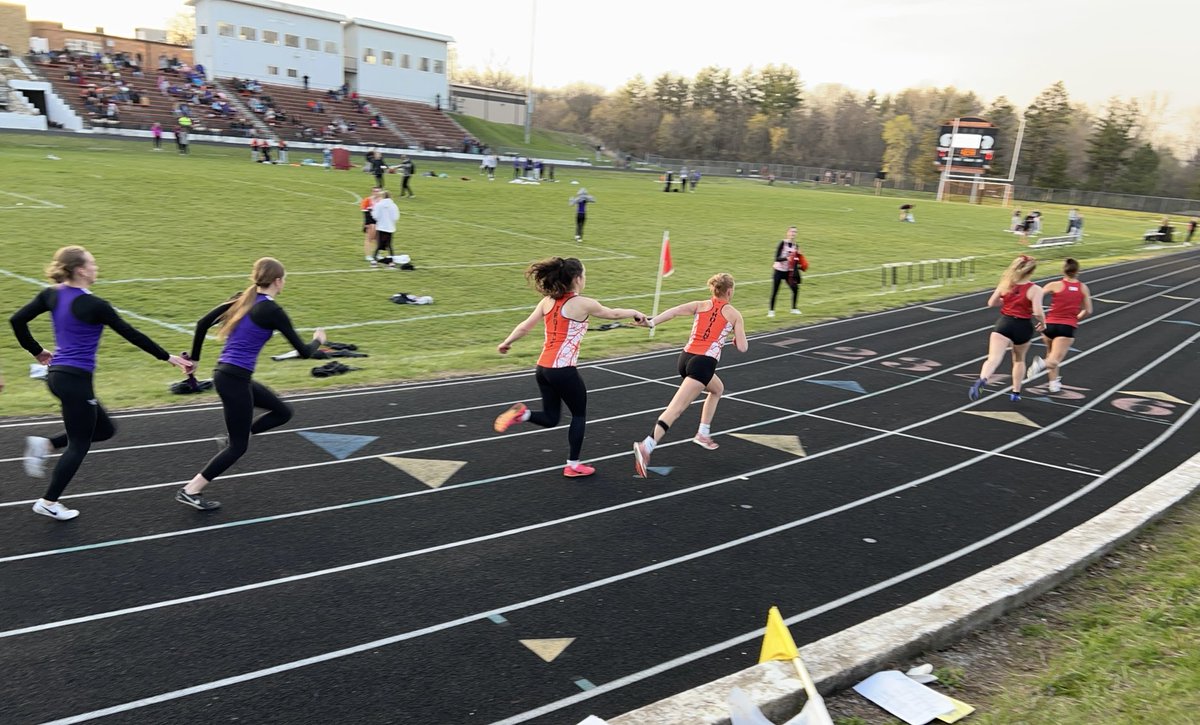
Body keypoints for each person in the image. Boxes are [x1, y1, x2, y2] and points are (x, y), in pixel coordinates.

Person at [10, 246, 191, 520]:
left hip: (58, 376)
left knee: (104, 428)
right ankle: (48, 502)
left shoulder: (51, 294)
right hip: (74, 380)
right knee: (79, 443)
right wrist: (167, 357)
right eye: (92, 264)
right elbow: (131, 333)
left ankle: (45, 445)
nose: (96, 268)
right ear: (81, 270)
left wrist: (37, 351)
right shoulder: (95, 305)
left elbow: (17, 320)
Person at [177, 258, 325, 510]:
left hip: (230, 375)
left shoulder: (242, 298)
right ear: (278, 281)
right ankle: (191, 490)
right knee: (238, 448)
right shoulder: (272, 310)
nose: (284, 283)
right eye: (284, 279)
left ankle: (234, 436)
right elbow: (303, 351)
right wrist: (317, 340)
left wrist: (196, 359)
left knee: (282, 412)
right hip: (234, 379)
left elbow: (202, 323)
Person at [492, 257, 646, 478]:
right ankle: (573, 465)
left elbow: (525, 326)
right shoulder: (582, 303)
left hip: (543, 369)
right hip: (563, 370)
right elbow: (611, 313)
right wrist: (635, 312)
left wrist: (506, 342)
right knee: (579, 415)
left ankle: (523, 414)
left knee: (551, 418)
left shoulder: (547, 301)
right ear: (576, 278)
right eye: (584, 275)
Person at [631, 273, 748, 477]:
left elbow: (675, 311)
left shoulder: (699, 305)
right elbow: (743, 347)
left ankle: (703, 433)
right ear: (729, 291)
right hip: (703, 364)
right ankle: (647, 445)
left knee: (717, 389)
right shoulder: (734, 314)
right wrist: (736, 340)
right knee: (675, 409)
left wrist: (651, 322)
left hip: (685, 359)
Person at [967, 255, 1046, 402]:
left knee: (993, 359)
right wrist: (1043, 322)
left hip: (1005, 323)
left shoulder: (1006, 283)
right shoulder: (1035, 289)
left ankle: (983, 379)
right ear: (1031, 272)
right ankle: (1015, 393)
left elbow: (991, 302)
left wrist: (1007, 300)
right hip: (1023, 326)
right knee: (1019, 360)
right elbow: (1037, 311)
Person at [1026, 258, 1092, 394]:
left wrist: (1040, 315)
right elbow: (1089, 310)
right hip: (1066, 327)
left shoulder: (1054, 285)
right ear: (1077, 271)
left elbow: (1036, 296)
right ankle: (1041, 364)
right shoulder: (1083, 288)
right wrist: (1077, 318)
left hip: (1049, 325)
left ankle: (1053, 383)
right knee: (1053, 360)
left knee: (1051, 355)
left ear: (1063, 270)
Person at [768, 226, 804, 317]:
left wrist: (800, 262)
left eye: (795, 232)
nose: (793, 233)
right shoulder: (782, 243)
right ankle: (771, 311)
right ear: (788, 233)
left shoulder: (796, 246)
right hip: (779, 271)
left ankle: (794, 309)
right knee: (775, 291)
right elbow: (777, 258)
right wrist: (787, 258)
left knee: (795, 289)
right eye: (791, 231)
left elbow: (796, 260)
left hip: (788, 272)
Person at [371, 190, 400, 268]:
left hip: (381, 227)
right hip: (390, 228)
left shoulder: (379, 205)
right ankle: (391, 262)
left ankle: (374, 260)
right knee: (389, 245)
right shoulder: (394, 205)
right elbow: (396, 217)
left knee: (379, 245)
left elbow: (375, 216)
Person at [360, 187, 380, 265]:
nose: (376, 193)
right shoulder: (367, 200)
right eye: (375, 191)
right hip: (370, 221)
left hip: (378, 222)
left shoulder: (380, 201)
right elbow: (365, 213)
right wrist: (367, 224)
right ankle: (368, 255)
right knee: (369, 238)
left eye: (378, 191)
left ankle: (377, 254)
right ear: (372, 192)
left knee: (377, 239)